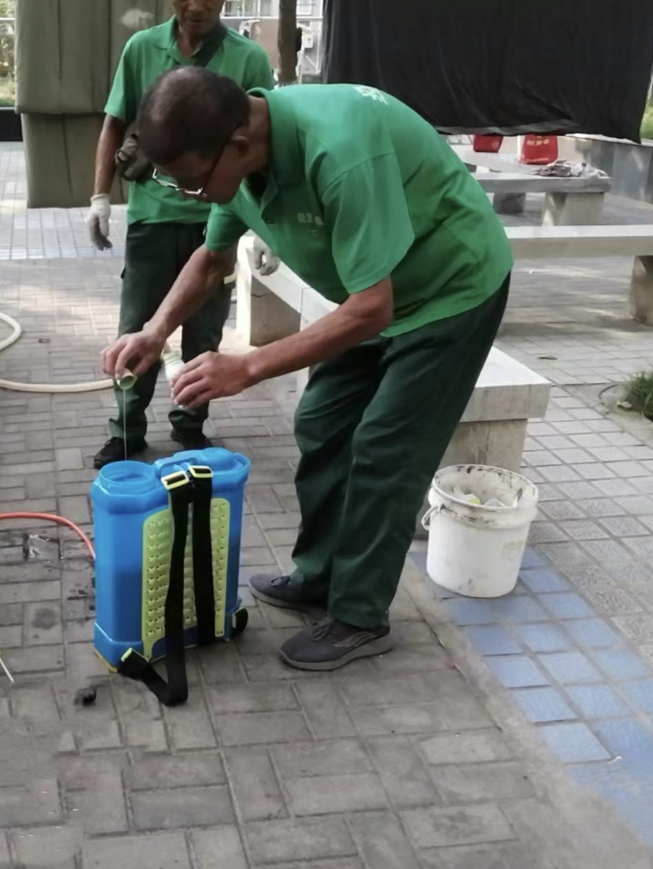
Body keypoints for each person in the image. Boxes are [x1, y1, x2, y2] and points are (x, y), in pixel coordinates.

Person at [100, 67, 513, 672]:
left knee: (384, 449)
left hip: (451, 290)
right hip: (372, 293)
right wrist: (155, 329)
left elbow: (372, 308)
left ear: (238, 145)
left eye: (192, 183)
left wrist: (249, 365)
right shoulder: (241, 156)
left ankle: (360, 616)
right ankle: (320, 576)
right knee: (321, 421)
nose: (190, 195)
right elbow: (212, 258)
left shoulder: (339, 153)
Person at [87, 0, 274, 469]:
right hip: (153, 216)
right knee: (138, 326)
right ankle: (126, 432)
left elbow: (265, 141)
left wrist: (268, 226)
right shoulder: (142, 48)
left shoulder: (248, 58)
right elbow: (114, 122)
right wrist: (100, 195)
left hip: (219, 213)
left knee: (204, 331)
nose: (197, 5)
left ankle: (190, 426)